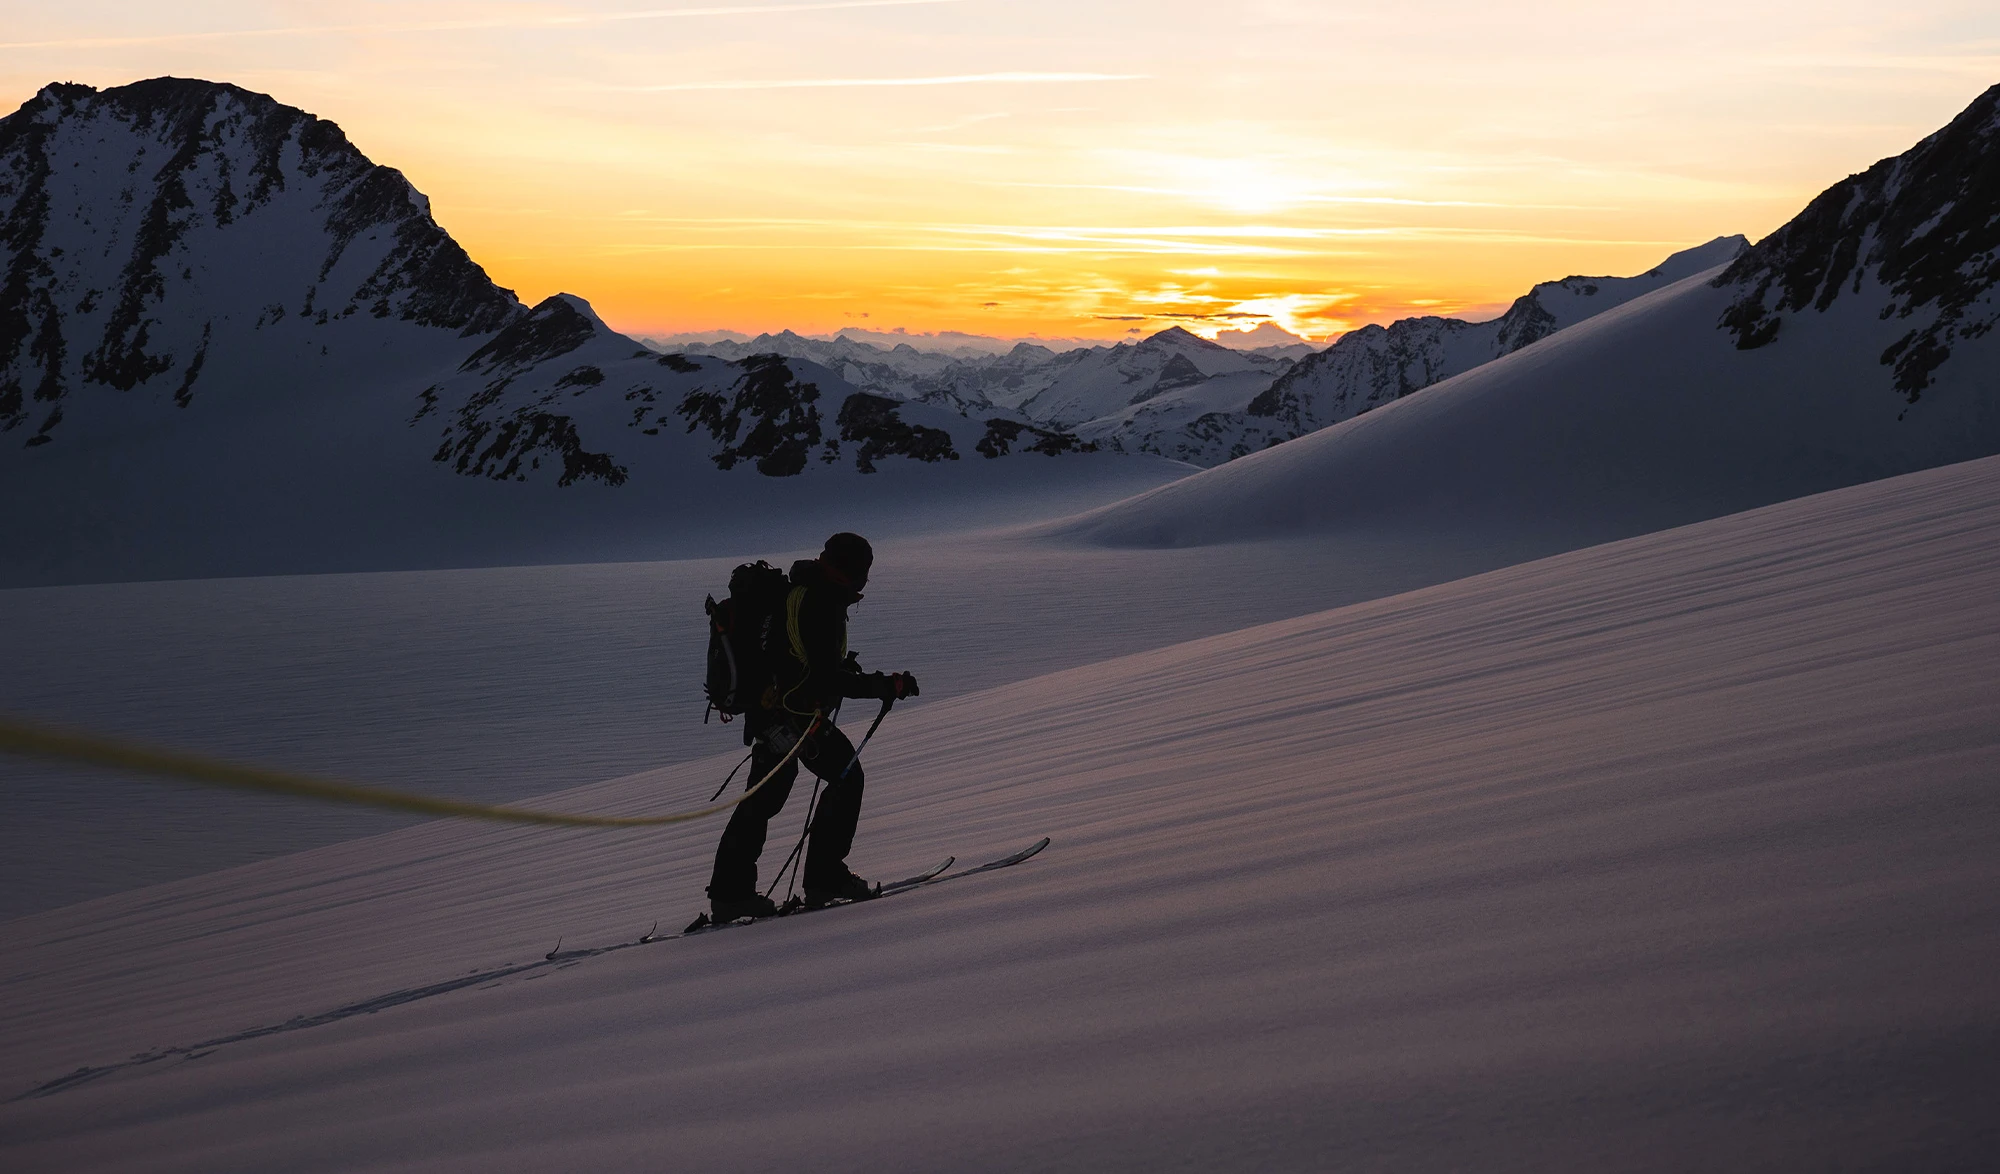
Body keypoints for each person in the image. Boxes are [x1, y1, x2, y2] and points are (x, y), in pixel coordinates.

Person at [706, 532, 919, 920]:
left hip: (777, 712)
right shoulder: (820, 603)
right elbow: (827, 679)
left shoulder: (807, 590)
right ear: (851, 572)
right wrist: (886, 686)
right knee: (843, 777)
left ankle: (732, 892)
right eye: (863, 572)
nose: (865, 581)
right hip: (791, 716)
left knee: (764, 800)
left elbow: (802, 658)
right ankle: (821, 879)